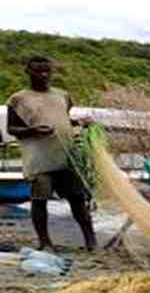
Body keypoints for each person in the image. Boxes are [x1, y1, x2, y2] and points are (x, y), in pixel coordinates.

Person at [5, 56, 97, 252]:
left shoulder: (63, 96)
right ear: (28, 72)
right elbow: (12, 128)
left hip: (66, 156)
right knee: (40, 200)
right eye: (38, 71)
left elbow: (63, 119)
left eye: (47, 71)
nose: (44, 75)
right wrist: (33, 130)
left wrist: (80, 122)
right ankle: (45, 242)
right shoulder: (18, 99)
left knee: (77, 199)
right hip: (39, 158)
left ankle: (91, 241)